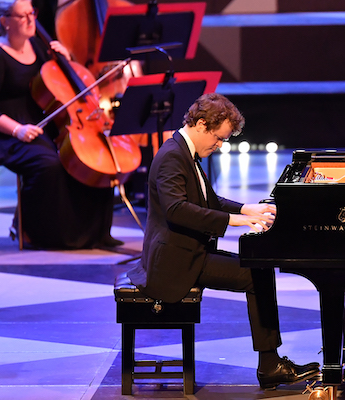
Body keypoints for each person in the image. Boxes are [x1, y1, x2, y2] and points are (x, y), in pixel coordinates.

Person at [127, 93, 320, 389]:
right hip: (174, 264)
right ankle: (269, 366)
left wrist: (246, 209)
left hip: (188, 253)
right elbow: (176, 210)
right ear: (202, 124)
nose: (219, 146)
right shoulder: (171, 156)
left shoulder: (183, 151)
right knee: (255, 274)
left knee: (259, 266)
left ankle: (270, 363)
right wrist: (235, 221)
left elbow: (208, 199)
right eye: (218, 139)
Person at [0, 0, 120, 249]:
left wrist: (66, 59)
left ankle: (92, 233)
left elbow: (58, 84)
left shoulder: (39, 47)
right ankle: (38, 233)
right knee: (50, 165)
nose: (32, 20)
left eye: (32, 13)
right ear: (4, 21)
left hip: (43, 125)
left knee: (90, 158)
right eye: (23, 16)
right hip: (10, 132)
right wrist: (17, 129)